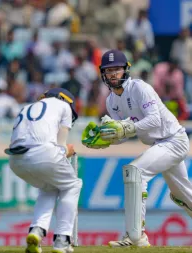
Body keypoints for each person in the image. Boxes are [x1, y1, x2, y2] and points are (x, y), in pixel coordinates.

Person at [82, 49, 192, 248]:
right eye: (108, 70)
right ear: (103, 74)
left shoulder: (140, 88)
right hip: (159, 145)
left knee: (135, 172)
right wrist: (106, 140)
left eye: (117, 69)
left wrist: (127, 127)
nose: (113, 74)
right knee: (184, 195)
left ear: (126, 70)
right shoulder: (111, 101)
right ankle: (134, 235)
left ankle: (135, 237)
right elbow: (122, 135)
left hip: (174, 140)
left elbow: (154, 120)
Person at [5, 88, 82, 253]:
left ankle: (36, 231)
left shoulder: (27, 107)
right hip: (43, 154)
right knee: (73, 185)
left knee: (48, 188)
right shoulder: (64, 106)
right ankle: (62, 239)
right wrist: (66, 151)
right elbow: (62, 145)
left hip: (15, 160)